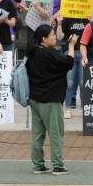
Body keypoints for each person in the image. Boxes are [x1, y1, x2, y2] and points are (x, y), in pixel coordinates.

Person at [26, 24, 75, 175]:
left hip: (35, 98)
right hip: (51, 99)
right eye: (52, 35)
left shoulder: (33, 52)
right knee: (55, 133)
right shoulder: (49, 53)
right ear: (44, 38)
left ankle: (38, 165)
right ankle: (58, 165)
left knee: (37, 134)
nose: (55, 37)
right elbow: (68, 63)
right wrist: (71, 46)